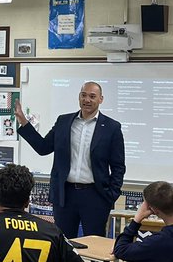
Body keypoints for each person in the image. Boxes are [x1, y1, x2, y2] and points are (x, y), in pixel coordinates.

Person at [15, 81, 125, 238]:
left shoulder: (111, 127)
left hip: (95, 196)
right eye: (83, 95)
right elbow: (43, 147)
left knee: (97, 247)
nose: (87, 100)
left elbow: (118, 166)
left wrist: (111, 195)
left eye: (92, 96)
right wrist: (23, 122)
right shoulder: (64, 121)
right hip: (65, 195)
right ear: (79, 97)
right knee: (63, 245)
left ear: (101, 99)